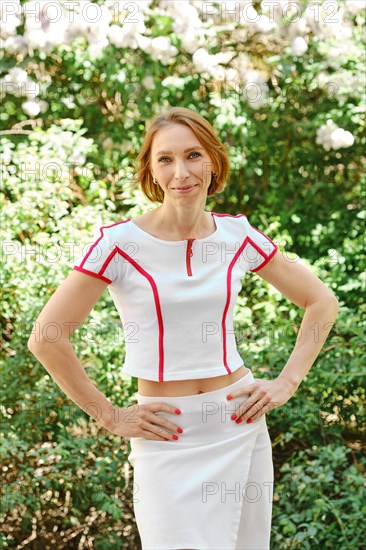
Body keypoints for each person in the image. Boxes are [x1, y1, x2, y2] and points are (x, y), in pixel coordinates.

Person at [28, 106, 339, 550]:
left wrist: (288, 381)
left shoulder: (239, 236)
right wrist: (111, 415)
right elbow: (46, 337)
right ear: (151, 171)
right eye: (165, 160)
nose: (181, 173)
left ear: (212, 160)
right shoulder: (118, 244)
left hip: (238, 422)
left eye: (193, 155)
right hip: (165, 436)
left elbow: (321, 302)